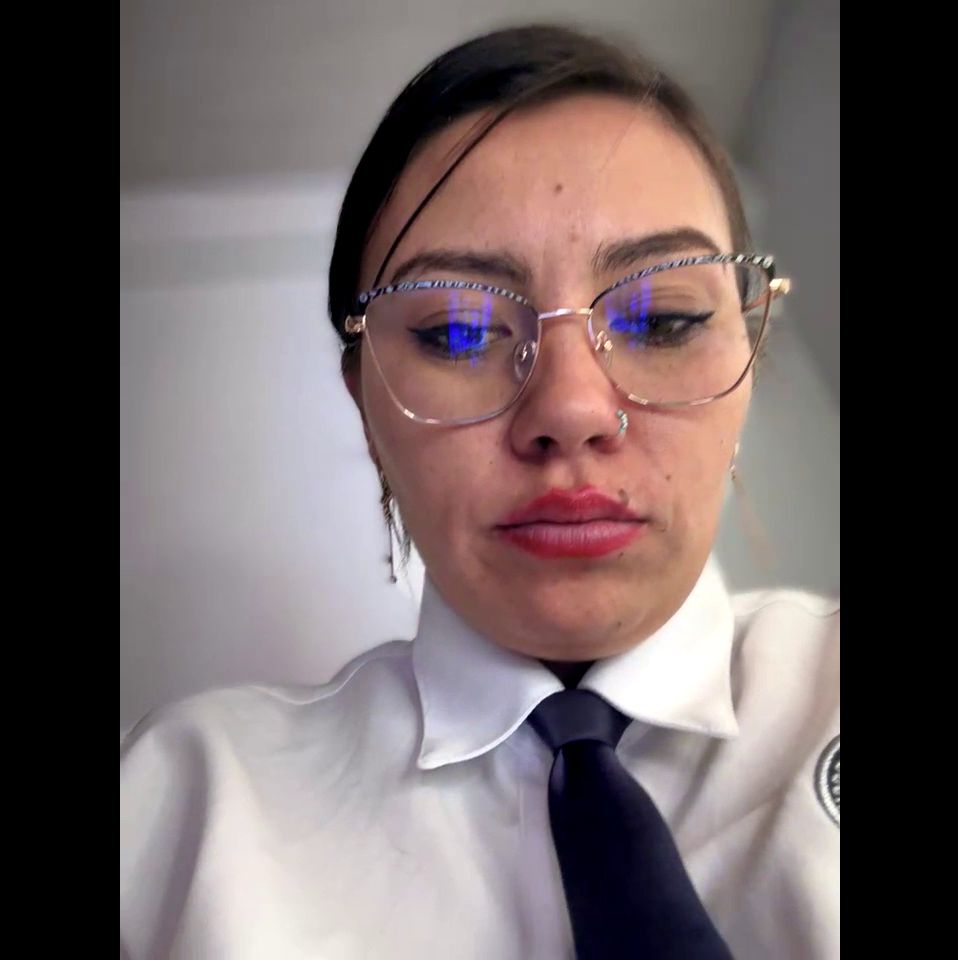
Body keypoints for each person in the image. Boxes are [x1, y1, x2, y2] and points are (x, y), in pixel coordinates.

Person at [120, 23, 839, 960]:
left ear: (748, 349)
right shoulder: (173, 816)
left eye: (663, 319)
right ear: (367, 408)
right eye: (458, 332)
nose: (571, 409)